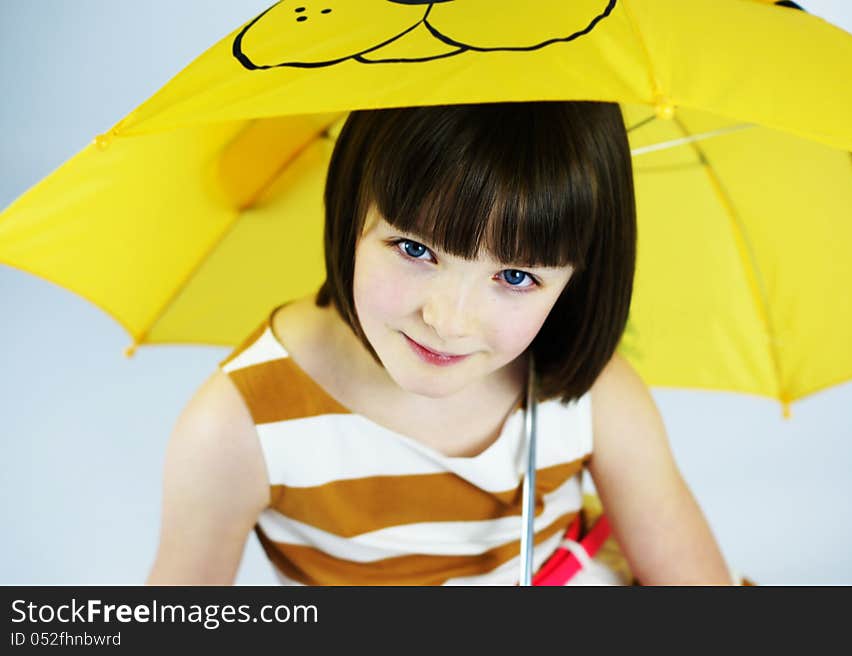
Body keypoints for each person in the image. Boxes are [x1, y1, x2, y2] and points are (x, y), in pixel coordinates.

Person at [146, 101, 733, 586]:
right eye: (415, 249)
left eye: (515, 277)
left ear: (578, 278)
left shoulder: (590, 396)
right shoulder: (239, 429)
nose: (448, 320)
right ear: (351, 209)